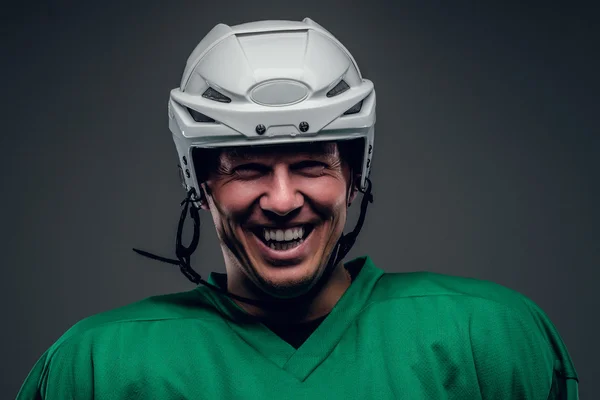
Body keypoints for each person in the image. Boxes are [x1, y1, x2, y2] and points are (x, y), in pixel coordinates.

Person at [17, 18, 578, 399]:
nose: (283, 201)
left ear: (354, 174)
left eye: (312, 163)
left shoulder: (491, 340)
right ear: (201, 180)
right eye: (248, 167)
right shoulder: (96, 367)